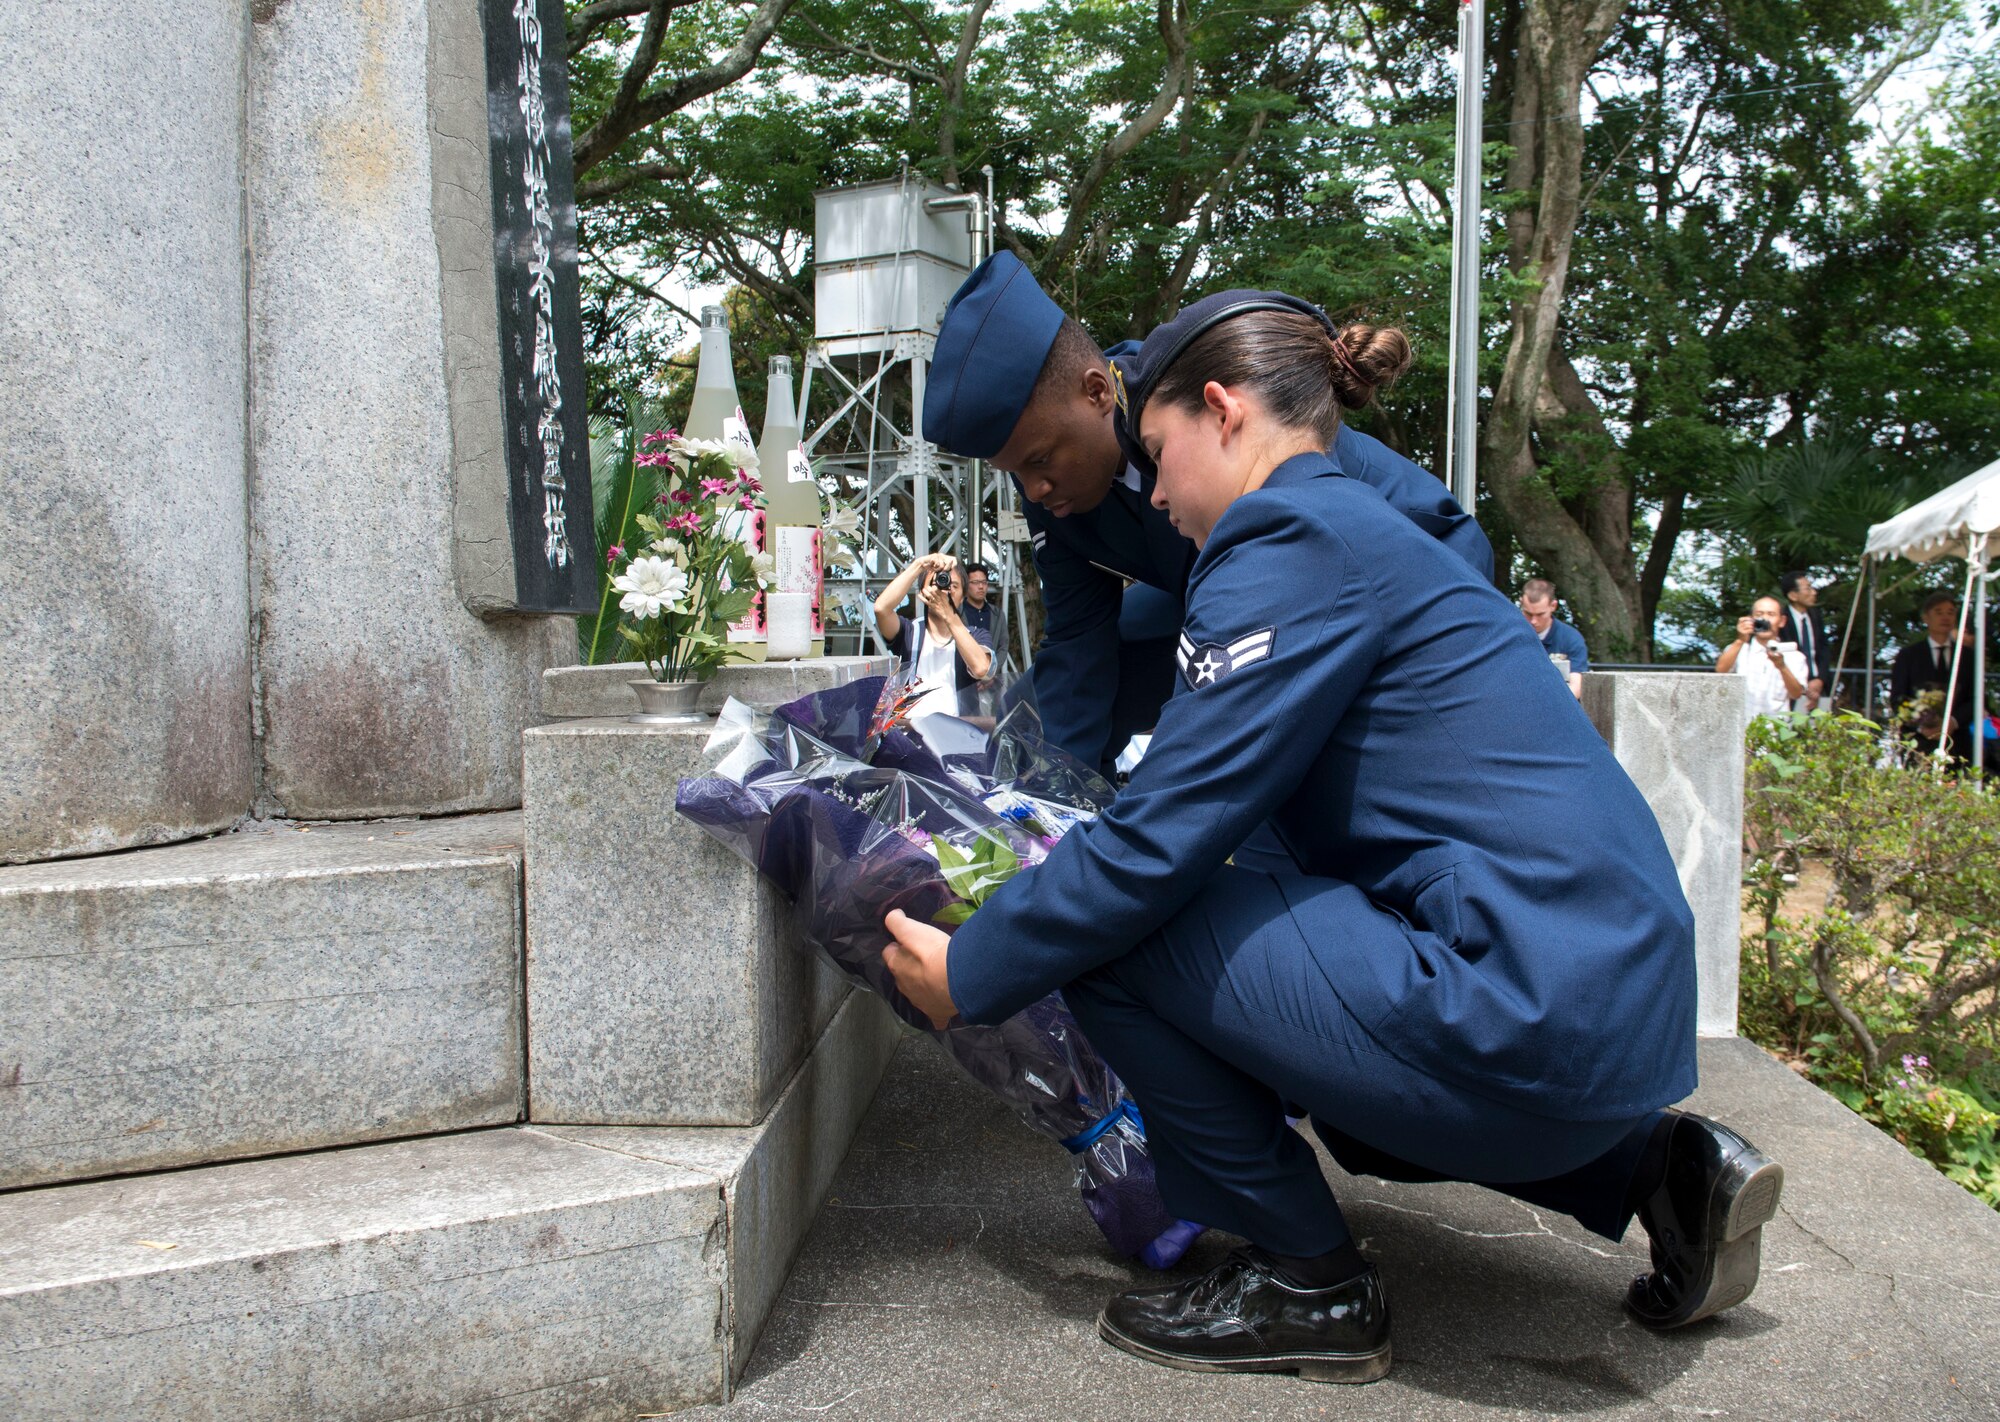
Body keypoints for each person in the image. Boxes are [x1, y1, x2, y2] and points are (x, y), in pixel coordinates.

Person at [883, 302, 1781, 1383]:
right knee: (1314, 1061)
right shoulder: (1322, 520)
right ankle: (1652, 1168)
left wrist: (973, 966)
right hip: (1599, 1011)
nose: (1153, 496)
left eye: (1160, 459)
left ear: (1219, 413)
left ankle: (1306, 1283)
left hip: (1522, 1002)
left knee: (1118, 928)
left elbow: (1151, 848)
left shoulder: (1284, 533)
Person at [921, 252, 1493, 775]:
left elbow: (1251, 635)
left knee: (1272, 743)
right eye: (1014, 471)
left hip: (1375, 581)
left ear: (1097, 393)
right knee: (1053, 700)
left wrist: (1174, 800)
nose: (1035, 489)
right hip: (1215, 595)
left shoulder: (1203, 413)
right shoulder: (1053, 488)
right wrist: (1051, 792)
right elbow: (1078, 642)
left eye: (1040, 460)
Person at [873, 553, 993, 720]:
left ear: (963, 597)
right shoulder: (910, 631)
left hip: (959, 732)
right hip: (913, 731)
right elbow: (881, 609)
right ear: (923, 590)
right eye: (937, 583)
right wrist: (920, 565)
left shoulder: (975, 635)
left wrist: (949, 615)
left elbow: (982, 669)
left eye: (954, 586)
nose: (944, 590)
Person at [1889, 591, 1978, 765]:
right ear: (1926, 617)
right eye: (1939, 612)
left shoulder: (1967, 656)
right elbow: (1898, 697)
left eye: (1950, 612)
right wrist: (1922, 723)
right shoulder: (1909, 655)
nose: (1945, 617)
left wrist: (1953, 722)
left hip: (1957, 739)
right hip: (1918, 737)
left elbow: (1976, 698)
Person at [1716, 596, 1808, 724]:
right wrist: (1740, 639)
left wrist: (1782, 667)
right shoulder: (1739, 648)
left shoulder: (1794, 655)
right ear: (1751, 619)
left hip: (1774, 732)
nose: (1764, 619)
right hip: (1739, 727)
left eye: (1771, 614)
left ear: (1782, 621)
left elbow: (1796, 694)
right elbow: (1720, 671)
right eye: (1759, 614)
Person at [1518, 578, 1588, 698]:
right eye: (1528, 614)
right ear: (1521, 603)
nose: (1534, 621)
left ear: (1553, 605)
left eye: (1540, 614)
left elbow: (1576, 688)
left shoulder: (1571, 639)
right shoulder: (1512, 635)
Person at [1783, 570, 1830, 708]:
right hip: (1794, 688)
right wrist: (1804, 685)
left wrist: (1820, 679)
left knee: (1820, 728)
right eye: (1808, 588)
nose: (1814, 592)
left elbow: (1824, 649)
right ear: (1793, 595)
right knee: (1794, 727)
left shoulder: (1815, 615)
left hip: (1819, 686)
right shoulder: (1782, 620)